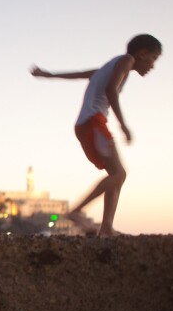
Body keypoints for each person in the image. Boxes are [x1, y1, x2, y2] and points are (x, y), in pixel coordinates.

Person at [31, 34, 162, 237]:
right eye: (154, 59)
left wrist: (48, 74)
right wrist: (123, 125)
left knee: (115, 175)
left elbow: (82, 73)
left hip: (88, 124)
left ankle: (106, 228)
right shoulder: (127, 61)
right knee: (119, 174)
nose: (153, 66)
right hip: (94, 122)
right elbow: (111, 90)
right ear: (142, 54)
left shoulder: (111, 66)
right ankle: (76, 211)